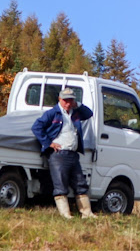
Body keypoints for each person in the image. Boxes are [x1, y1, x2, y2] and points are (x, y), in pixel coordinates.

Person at [31, 87, 97, 219]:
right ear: (60, 99)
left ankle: (86, 213)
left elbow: (89, 113)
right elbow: (37, 127)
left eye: (71, 100)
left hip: (73, 154)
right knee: (60, 184)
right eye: (65, 100)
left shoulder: (75, 112)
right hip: (58, 154)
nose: (68, 103)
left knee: (80, 183)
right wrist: (49, 143)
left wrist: (77, 104)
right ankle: (65, 214)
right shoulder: (52, 113)